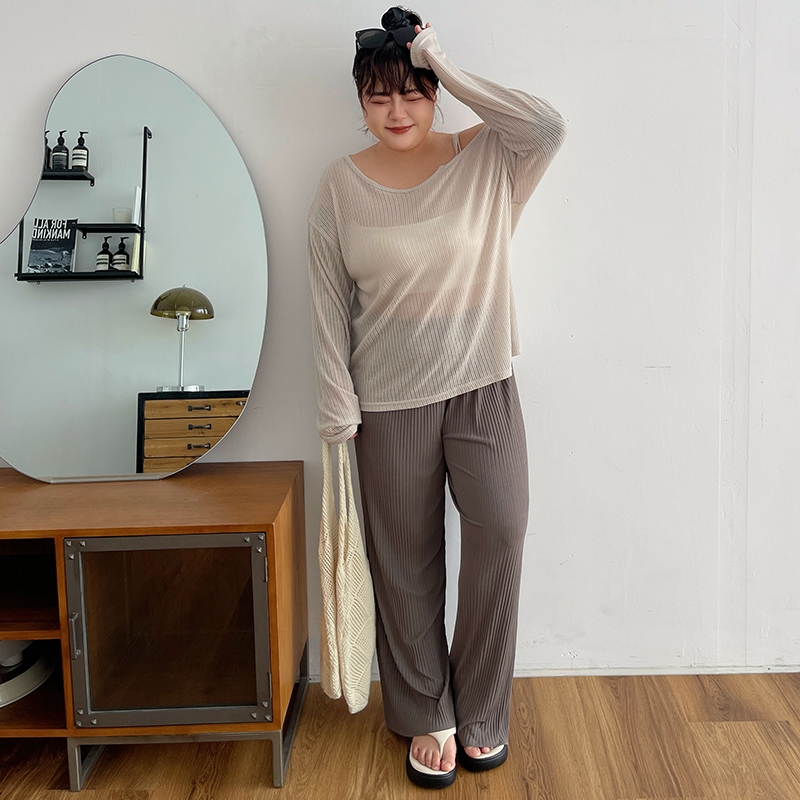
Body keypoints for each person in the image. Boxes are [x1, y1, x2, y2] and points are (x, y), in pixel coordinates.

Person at [308, 6, 566, 789]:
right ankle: (428, 711)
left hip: (483, 384)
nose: (398, 111)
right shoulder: (340, 185)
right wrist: (337, 407)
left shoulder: (486, 157)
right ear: (360, 101)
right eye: (380, 96)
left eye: (414, 93)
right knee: (405, 564)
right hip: (387, 403)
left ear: (435, 95)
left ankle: (482, 708)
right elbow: (327, 304)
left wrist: (439, 60)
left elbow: (547, 126)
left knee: (502, 531)